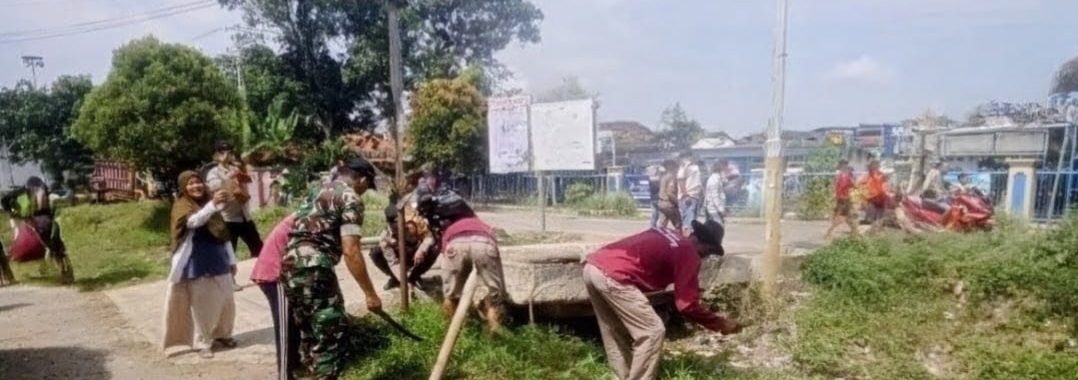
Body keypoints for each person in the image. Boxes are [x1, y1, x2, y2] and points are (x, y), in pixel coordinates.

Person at [583, 220, 742, 380]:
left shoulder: (668, 234)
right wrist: (720, 324)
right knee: (652, 332)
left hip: (592, 267)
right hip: (614, 277)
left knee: (614, 331)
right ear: (699, 240)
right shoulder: (689, 252)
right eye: (708, 251)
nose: (706, 256)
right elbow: (686, 305)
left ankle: (622, 376)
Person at [282, 157, 382, 380]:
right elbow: (351, 251)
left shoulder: (316, 190)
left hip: (289, 265)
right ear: (363, 180)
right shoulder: (351, 198)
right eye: (367, 187)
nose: (365, 191)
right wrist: (370, 294)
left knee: (309, 334)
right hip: (315, 267)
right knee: (331, 335)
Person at [163, 171, 238, 359]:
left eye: (198, 182)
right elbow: (193, 222)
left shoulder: (209, 203)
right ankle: (203, 341)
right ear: (183, 188)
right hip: (197, 262)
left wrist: (232, 260)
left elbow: (223, 235)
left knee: (227, 300)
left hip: (219, 259)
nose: (195, 186)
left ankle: (222, 335)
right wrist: (212, 206)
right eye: (190, 184)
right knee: (204, 305)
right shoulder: (182, 205)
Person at [416, 187, 506, 333]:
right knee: (493, 299)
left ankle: (453, 333)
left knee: (451, 296)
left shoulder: (446, 226)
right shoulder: (477, 221)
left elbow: (441, 248)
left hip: (455, 245)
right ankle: (494, 337)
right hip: (485, 242)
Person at [251, 213, 301, 380]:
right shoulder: (306, 218)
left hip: (283, 273)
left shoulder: (306, 215)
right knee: (285, 326)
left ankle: (295, 365)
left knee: (294, 322)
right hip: (275, 275)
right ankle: (284, 375)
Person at [205, 140, 263, 258]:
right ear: (216, 154)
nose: (227, 155)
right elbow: (213, 186)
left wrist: (240, 174)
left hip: (244, 216)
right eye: (223, 152)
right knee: (228, 257)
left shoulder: (235, 168)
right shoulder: (213, 172)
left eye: (229, 152)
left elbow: (249, 180)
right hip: (228, 219)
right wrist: (228, 177)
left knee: (260, 251)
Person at [369, 202, 437, 291]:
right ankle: (396, 278)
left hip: (415, 256)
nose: (399, 229)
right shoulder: (385, 237)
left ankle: (415, 277)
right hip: (399, 258)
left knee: (434, 248)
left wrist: (422, 250)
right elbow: (392, 262)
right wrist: (403, 280)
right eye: (395, 227)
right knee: (376, 253)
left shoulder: (414, 224)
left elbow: (429, 237)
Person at [824, 160, 860, 239]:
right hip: (844, 199)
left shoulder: (840, 175)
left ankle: (856, 233)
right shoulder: (846, 176)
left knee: (848, 216)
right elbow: (853, 185)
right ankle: (828, 233)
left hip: (842, 198)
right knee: (843, 217)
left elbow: (837, 186)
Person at [676, 152, 703, 234]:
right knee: (688, 220)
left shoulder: (695, 167)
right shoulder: (684, 167)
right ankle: (686, 237)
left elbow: (698, 182)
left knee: (693, 220)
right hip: (688, 196)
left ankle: (690, 237)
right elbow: (680, 180)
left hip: (695, 196)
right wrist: (685, 194)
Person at [860, 160, 889, 233]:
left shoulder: (881, 175)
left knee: (879, 218)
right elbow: (861, 185)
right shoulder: (867, 176)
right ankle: (875, 232)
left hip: (880, 199)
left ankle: (877, 232)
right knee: (873, 219)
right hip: (873, 199)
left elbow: (884, 186)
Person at [656, 160, 681, 231]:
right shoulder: (671, 177)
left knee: (661, 226)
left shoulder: (663, 177)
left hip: (661, 202)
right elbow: (670, 193)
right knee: (678, 224)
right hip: (669, 204)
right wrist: (677, 203)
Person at [704, 161, 727, 225]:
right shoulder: (714, 180)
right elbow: (715, 197)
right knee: (718, 227)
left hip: (714, 208)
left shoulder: (716, 179)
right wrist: (721, 210)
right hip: (714, 209)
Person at [647, 164, 664, 228]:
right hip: (658, 198)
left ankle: (652, 227)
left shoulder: (651, 178)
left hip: (653, 198)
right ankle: (658, 227)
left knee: (654, 215)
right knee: (660, 215)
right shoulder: (657, 179)